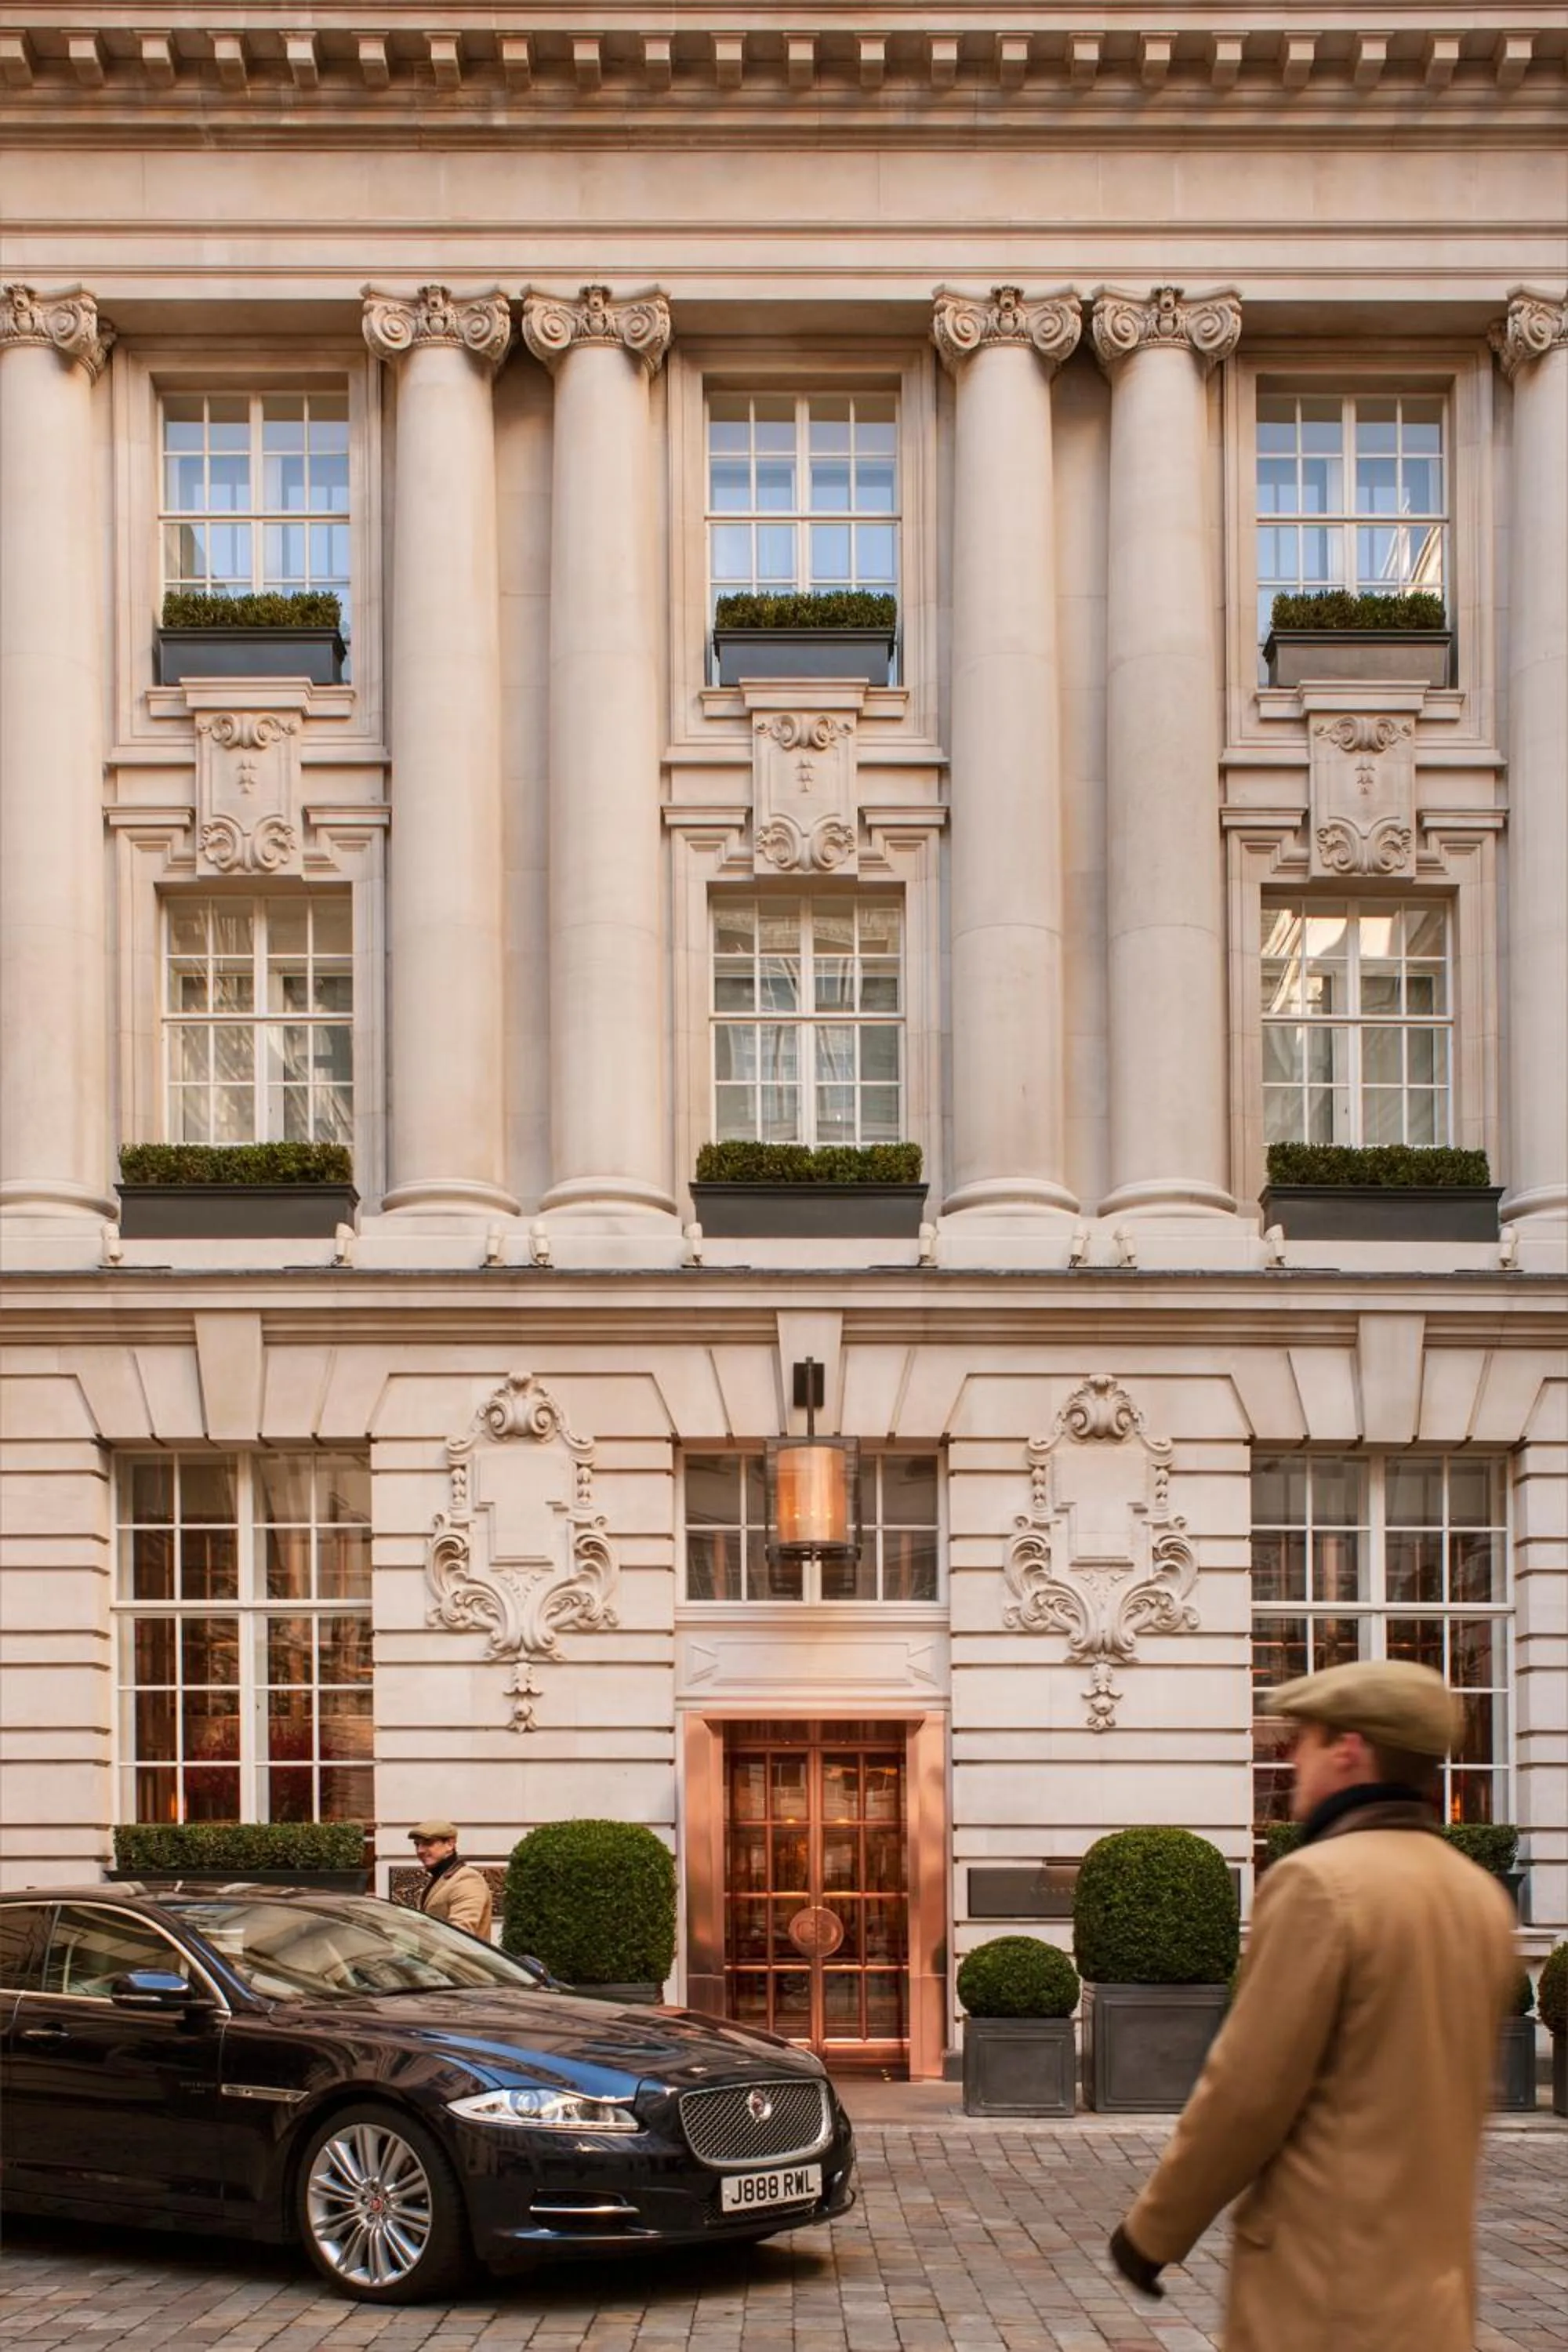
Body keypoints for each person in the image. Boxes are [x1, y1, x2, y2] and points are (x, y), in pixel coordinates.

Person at [1107, 1657, 1519, 2352]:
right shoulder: (1476, 1894)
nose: (1289, 1755)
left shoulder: (1320, 1884)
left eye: (1304, 1738)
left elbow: (1248, 2093)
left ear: (1349, 1750)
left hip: (1327, 2289)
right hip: (1433, 2293)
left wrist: (1152, 2234)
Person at [407, 1818, 494, 1940]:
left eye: (428, 1843)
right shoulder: (440, 1879)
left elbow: (460, 1935)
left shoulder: (467, 1879)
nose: (420, 1850)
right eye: (417, 1844)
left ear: (450, 1844)